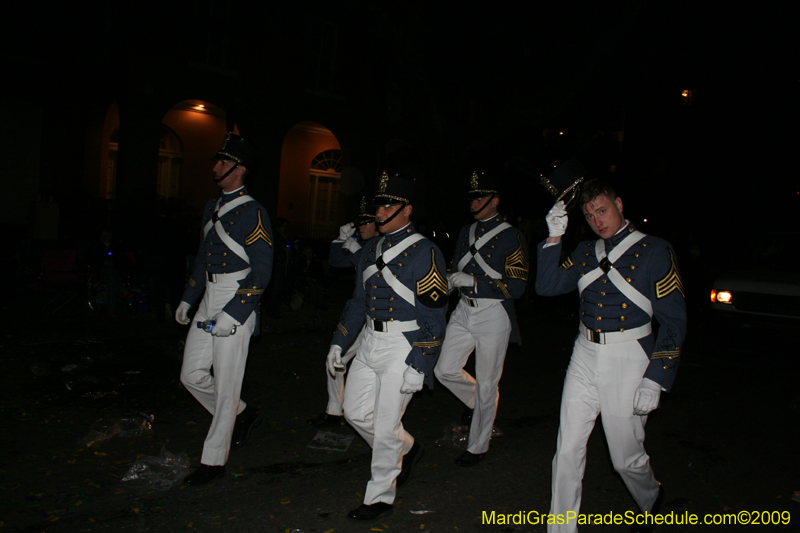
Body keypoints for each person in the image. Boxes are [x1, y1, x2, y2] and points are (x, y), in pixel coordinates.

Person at [536, 177, 686, 533]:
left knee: (625, 459)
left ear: (619, 204)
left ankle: (650, 499)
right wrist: (554, 238)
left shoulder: (655, 250)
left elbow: (674, 321)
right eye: (589, 217)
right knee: (567, 448)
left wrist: (657, 377)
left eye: (602, 211)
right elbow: (547, 287)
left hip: (629, 357)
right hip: (584, 353)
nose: (597, 221)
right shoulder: (588, 252)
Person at [327, 172, 448, 521]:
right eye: (378, 204)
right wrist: (339, 342)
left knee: (383, 423)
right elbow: (356, 303)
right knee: (354, 412)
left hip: (402, 344)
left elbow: (435, 314)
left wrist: (420, 362)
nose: (379, 212)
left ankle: (379, 496)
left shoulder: (426, 251)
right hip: (369, 340)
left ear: (407, 210)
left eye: (388, 205)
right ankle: (407, 447)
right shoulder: (369, 250)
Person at [174, 133, 273, 485]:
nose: (215, 166)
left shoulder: (254, 212)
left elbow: (263, 271)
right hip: (209, 296)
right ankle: (242, 414)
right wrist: (189, 297)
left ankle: (214, 461)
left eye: (222, 161)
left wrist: (235, 312)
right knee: (191, 375)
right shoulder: (210, 207)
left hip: (236, 297)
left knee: (227, 385)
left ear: (239, 169)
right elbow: (202, 257)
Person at [433, 172, 529, 467]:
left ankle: (478, 446)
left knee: (488, 381)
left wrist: (473, 281)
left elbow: (517, 287)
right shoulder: (465, 232)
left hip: (492, 313)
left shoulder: (512, 236)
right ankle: (481, 404)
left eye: (480, 197)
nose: (474, 202)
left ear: (494, 201)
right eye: (472, 197)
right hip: (463, 309)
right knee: (444, 369)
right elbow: (455, 267)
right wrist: (449, 282)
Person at [307, 197, 379, 427]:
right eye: (360, 223)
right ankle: (335, 411)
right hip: (361, 315)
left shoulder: (384, 243)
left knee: (376, 369)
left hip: (379, 317)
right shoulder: (365, 243)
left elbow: (379, 275)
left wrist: (358, 252)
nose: (361, 227)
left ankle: (369, 415)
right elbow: (337, 262)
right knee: (336, 359)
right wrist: (340, 239)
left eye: (366, 223)